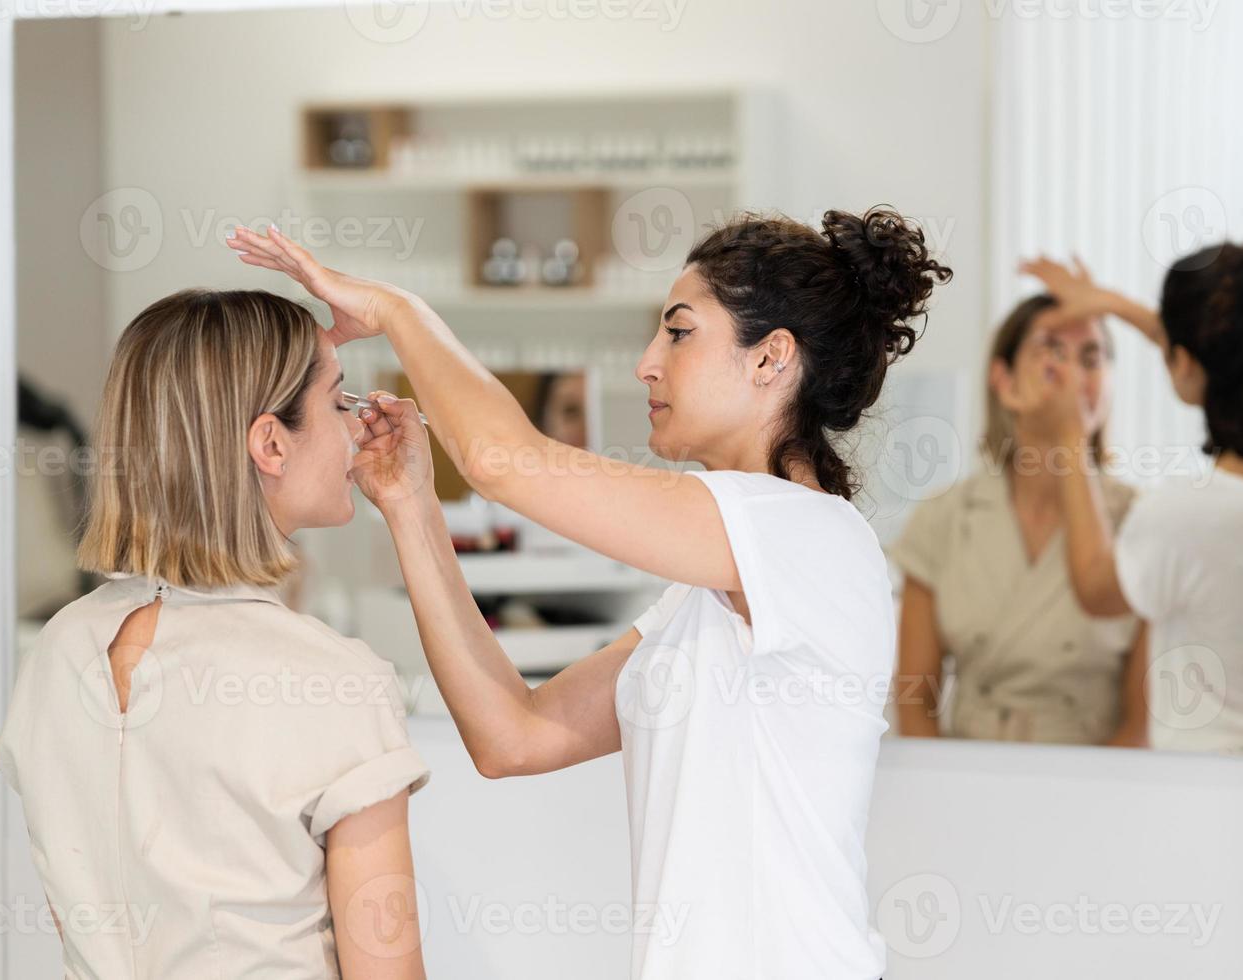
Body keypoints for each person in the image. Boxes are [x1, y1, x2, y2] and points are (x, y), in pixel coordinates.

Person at [226, 206, 951, 980]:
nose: (646, 363)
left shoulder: (809, 538)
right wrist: (411, 507)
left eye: (678, 333)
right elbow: (514, 737)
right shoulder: (712, 590)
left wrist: (398, 312)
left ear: (771, 358)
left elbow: (505, 461)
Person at [0, 289, 431, 978]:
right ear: (271, 443)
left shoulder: (60, 649)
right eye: (339, 401)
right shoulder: (337, 679)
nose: (355, 429)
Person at [1022, 240, 1243, 756]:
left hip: (1209, 792)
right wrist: (1109, 303)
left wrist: (1069, 437)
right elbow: (1227, 358)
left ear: (1182, 360)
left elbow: (1095, 588)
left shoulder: (1185, 515)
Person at [891, 294, 1149, 745]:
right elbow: (915, 701)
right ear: (1003, 378)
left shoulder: (1142, 523)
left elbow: (1141, 723)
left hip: (1096, 783)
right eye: (1052, 351)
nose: (1071, 375)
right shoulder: (943, 518)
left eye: (1091, 358)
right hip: (964, 777)